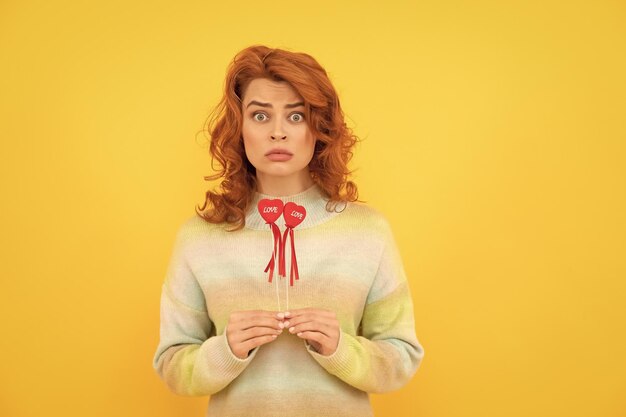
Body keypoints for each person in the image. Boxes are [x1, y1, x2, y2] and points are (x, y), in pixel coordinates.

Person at [152, 45, 424, 417]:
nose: (278, 132)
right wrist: (226, 350)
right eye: (260, 116)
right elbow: (171, 363)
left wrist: (341, 349)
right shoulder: (198, 237)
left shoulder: (368, 232)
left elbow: (402, 357)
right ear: (239, 127)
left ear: (320, 129)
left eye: (296, 117)